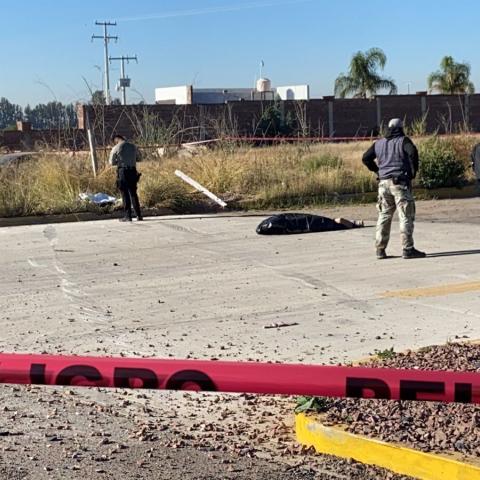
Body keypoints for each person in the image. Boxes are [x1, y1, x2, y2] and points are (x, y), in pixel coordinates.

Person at [362, 118, 426, 260]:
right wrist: (413, 172)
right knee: (405, 216)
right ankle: (408, 249)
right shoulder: (403, 141)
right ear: (401, 128)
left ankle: (380, 250)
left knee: (384, 216)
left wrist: (378, 171)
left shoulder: (378, 143)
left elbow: (365, 158)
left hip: (383, 185)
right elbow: (413, 153)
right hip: (399, 184)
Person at [109, 134, 143, 222]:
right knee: (133, 193)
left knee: (124, 193)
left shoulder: (116, 148)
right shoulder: (133, 146)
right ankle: (139, 215)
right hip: (133, 171)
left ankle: (128, 216)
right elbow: (139, 158)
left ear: (116, 140)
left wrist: (120, 161)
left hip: (123, 171)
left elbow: (112, 162)